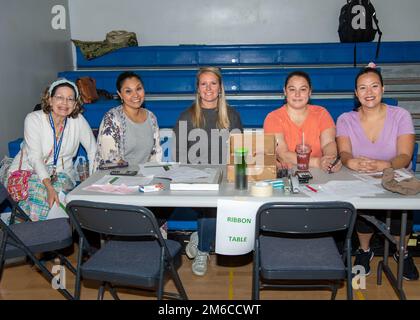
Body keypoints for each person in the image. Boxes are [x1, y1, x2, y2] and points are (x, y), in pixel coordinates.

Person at [336, 66, 419, 281]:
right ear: (356, 93)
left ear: (383, 88)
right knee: (363, 208)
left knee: (402, 211)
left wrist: (384, 165)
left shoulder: (400, 115)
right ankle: (365, 251)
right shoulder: (345, 119)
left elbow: (405, 156)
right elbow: (344, 153)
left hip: (395, 176)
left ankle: (402, 251)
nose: (369, 92)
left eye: (374, 86)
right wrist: (350, 161)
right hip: (362, 180)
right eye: (362, 88)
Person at [173, 67, 243, 276]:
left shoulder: (232, 115)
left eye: (213, 83)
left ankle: (199, 238)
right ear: (198, 89)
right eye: (204, 84)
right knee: (209, 206)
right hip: (196, 180)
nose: (209, 88)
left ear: (220, 88)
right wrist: (199, 176)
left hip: (224, 180)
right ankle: (204, 250)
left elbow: (238, 152)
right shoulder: (186, 116)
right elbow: (179, 156)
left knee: (216, 202)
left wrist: (229, 176)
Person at [7, 78, 96, 221]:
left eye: (70, 99)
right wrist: (49, 187)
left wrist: (92, 181)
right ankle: (33, 235)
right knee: (39, 192)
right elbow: (35, 158)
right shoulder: (34, 119)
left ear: (75, 104)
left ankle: (33, 234)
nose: (65, 103)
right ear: (49, 99)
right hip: (30, 170)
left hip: (62, 173)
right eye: (59, 97)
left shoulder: (78, 121)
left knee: (46, 198)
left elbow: (93, 150)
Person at [263, 71, 341, 172]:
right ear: (285, 92)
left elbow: (329, 143)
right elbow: (283, 155)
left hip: (321, 172)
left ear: (310, 92)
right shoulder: (273, 118)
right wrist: (317, 162)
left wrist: (330, 160)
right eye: (292, 89)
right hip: (289, 173)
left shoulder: (322, 113)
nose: (297, 94)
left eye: (303, 89)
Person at [94, 71, 162, 169]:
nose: (135, 95)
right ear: (120, 94)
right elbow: (111, 159)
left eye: (138, 89)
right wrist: (136, 177)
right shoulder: (112, 118)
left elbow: (156, 154)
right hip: (114, 178)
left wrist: (151, 175)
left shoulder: (151, 117)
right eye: (128, 91)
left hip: (143, 178)